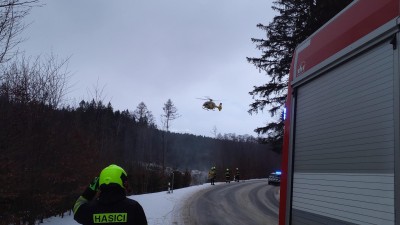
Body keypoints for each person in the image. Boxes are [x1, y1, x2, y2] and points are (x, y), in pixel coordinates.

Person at [73, 164, 148, 225]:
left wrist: (91, 189)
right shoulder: (134, 207)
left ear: (100, 182)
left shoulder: (89, 210)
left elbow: (76, 208)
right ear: (122, 182)